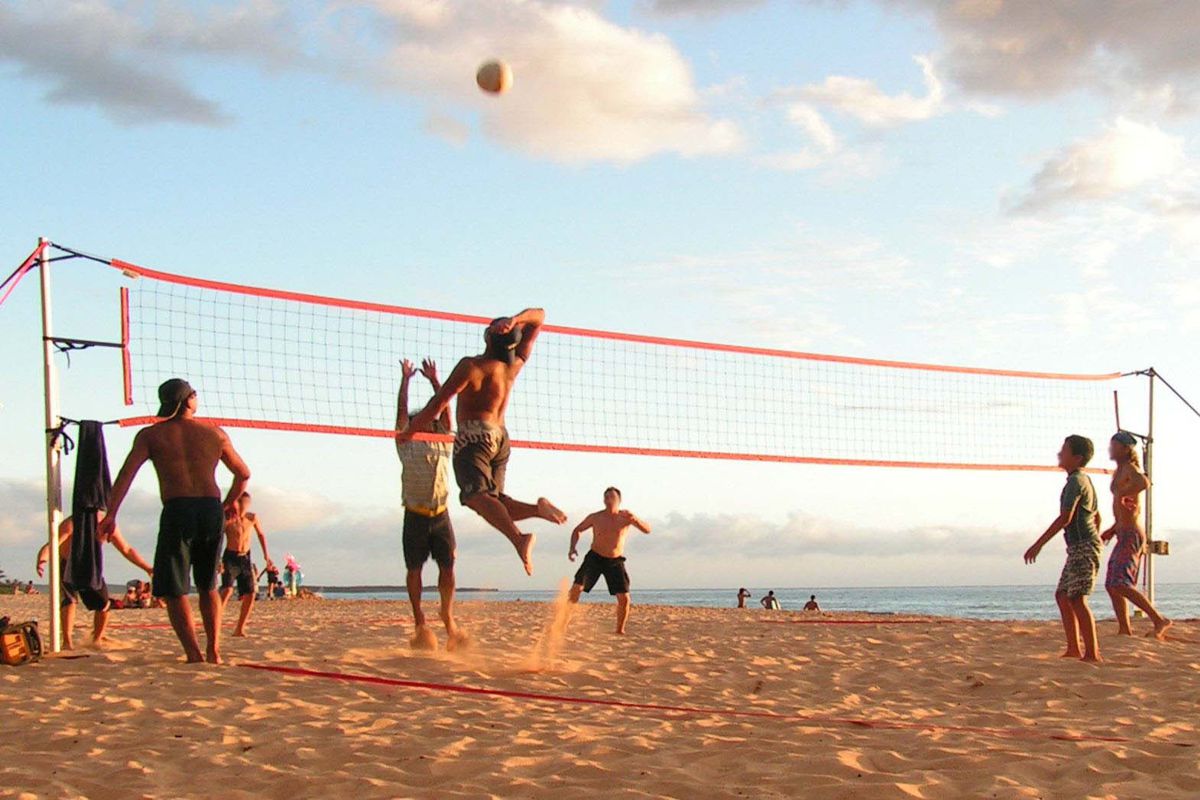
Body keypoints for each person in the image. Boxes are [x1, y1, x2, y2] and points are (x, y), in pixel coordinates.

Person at [398, 309, 566, 576]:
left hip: (475, 437)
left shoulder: (472, 366)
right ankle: (537, 509)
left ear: (488, 336)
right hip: (501, 438)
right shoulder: (513, 364)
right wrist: (516, 321)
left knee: (474, 497)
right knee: (494, 503)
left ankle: (519, 539)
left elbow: (438, 404)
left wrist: (410, 431)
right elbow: (541, 316)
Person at [100, 378, 251, 664]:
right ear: (189, 400)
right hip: (210, 509)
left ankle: (194, 653)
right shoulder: (215, 434)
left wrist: (111, 514)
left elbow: (126, 475)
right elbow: (243, 474)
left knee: (174, 587)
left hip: (178, 509)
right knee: (208, 584)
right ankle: (214, 651)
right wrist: (229, 502)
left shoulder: (151, 435)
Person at [394, 357, 466, 650]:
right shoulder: (406, 442)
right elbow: (402, 413)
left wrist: (436, 381)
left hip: (440, 514)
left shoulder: (443, 441)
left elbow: (445, 411)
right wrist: (406, 380)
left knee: (448, 568)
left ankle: (447, 616)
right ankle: (419, 621)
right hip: (415, 515)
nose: (428, 422)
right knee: (414, 571)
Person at [1024, 435, 1103, 663]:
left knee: (1077, 598)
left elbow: (1065, 518)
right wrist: (1096, 536)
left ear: (1077, 457)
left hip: (1083, 546)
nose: (1060, 453)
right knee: (1062, 595)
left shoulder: (1077, 481)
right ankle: (1073, 648)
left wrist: (1038, 544)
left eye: (1064, 450)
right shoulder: (1082, 480)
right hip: (1080, 546)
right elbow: (1097, 516)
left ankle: (1092, 653)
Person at [35, 513, 153, 649]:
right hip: (68, 563)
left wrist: (147, 568)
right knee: (69, 601)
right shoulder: (73, 522)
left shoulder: (106, 522)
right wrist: (43, 556)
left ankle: (96, 638)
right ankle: (67, 642)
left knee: (104, 604)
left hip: (90, 565)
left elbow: (126, 549)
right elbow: (54, 543)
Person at [1102, 431, 1171, 639]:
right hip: (1123, 531)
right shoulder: (1120, 470)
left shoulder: (1129, 468)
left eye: (1114, 446)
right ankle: (1124, 628)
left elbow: (1144, 483)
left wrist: (1124, 493)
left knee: (1120, 582)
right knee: (1111, 584)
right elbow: (1123, 506)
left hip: (1131, 533)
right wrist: (1113, 528)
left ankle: (1159, 619)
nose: (1110, 449)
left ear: (1125, 449)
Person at [567, 487, 651, 635]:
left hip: (615, 561)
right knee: (576, 589)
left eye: (612, 496)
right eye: (606, 497)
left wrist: (635, 519)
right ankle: (563, 622)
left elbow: (647, 530)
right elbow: (577, 530)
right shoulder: (596, 517)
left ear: (619, 500)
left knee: (624, 598)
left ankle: (620, 630)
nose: (609, 499)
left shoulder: (626, 518)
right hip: (595, 557)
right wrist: (572, 547)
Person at [219, 492, 273, 637]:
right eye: (243, 503)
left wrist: (266, 555)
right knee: (227, 590)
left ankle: (239, 628)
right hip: (231, 557)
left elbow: (261, 535)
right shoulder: (228, 518)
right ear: (237, 504)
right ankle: (214, 623)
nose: (245, 506)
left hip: (245, 557)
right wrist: (218, 561)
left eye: (247, 504)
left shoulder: (252, 517)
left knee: (250, 593)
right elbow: (218, 539)